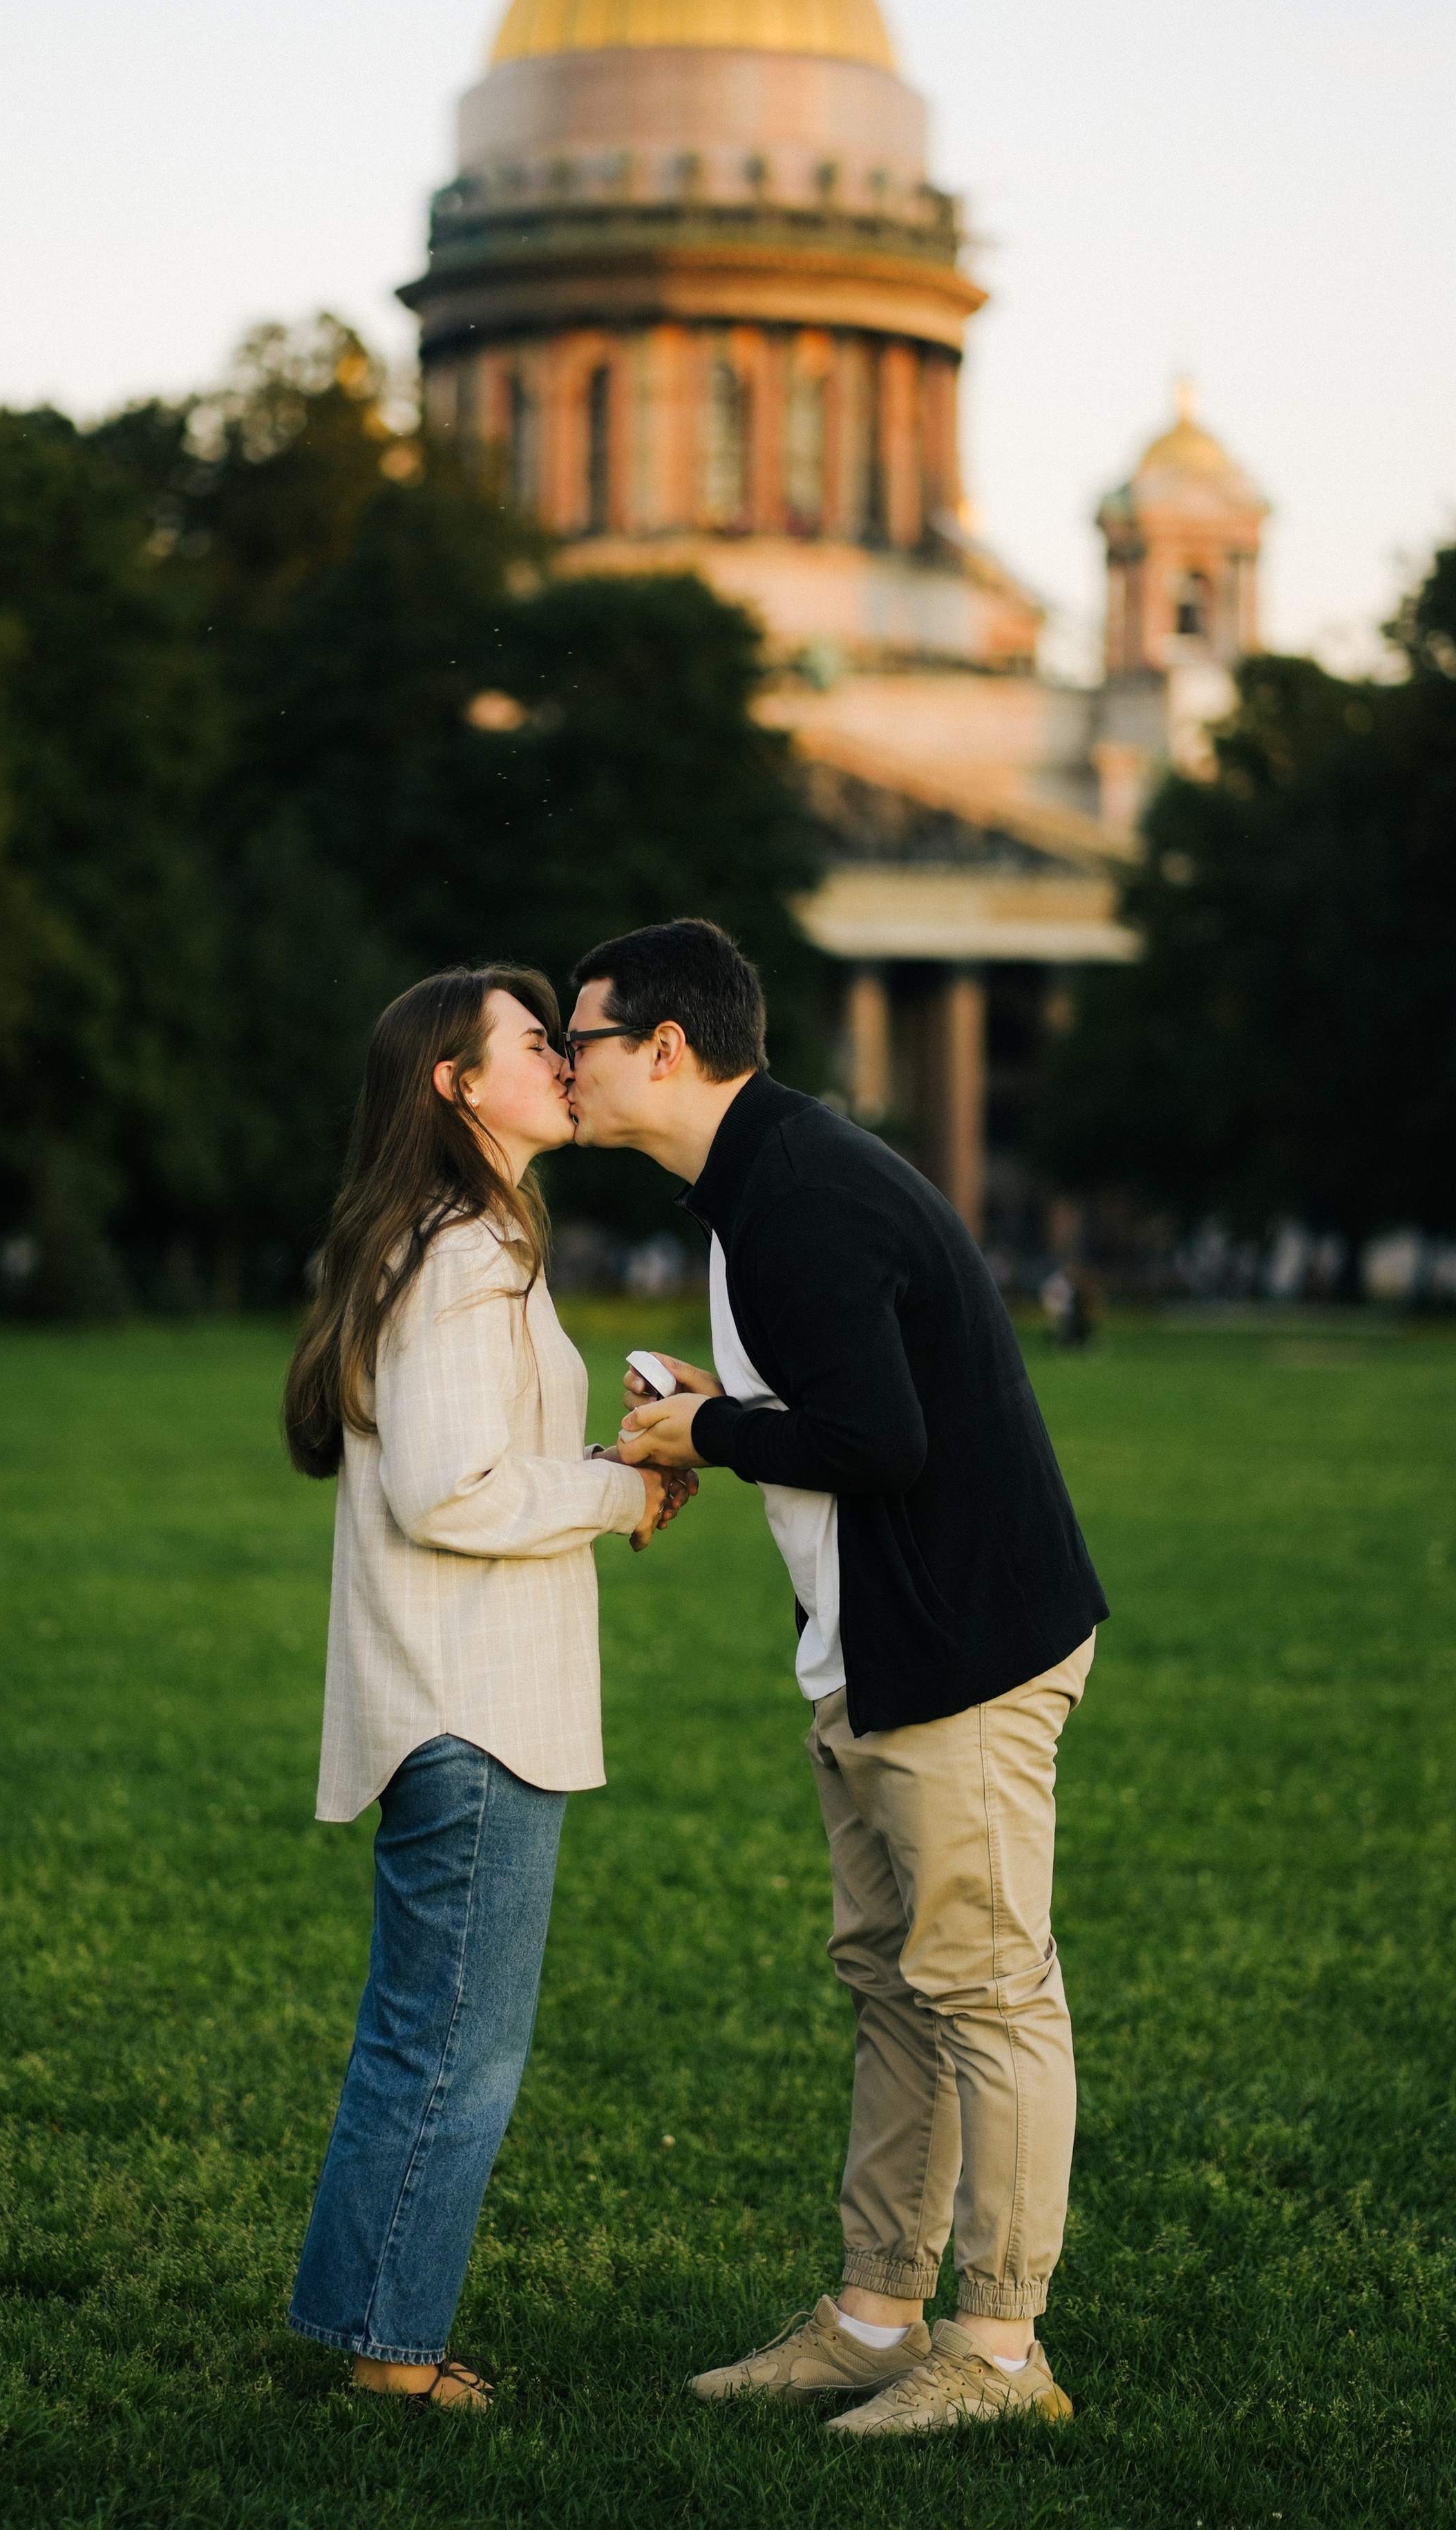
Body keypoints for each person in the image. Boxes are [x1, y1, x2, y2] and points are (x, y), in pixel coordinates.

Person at [564, 919, 1106, 2439]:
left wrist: (706, 1435)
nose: (563, 1060)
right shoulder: (765, 1176)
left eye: (580, 1034)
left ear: (662, 1050)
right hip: (879, 1645)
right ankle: (878, 2317)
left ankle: (996, 2352)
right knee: (891, 1983)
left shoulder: (792, 1192)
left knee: (985, 1991)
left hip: (960, 1651)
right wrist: (722, 1407)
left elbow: (881, 1443)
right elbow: (852, 1396)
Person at [282, 966, 689, 2411]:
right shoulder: (461, 1252)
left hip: (468, 1696)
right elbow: (446, 1492)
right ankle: (393, 2358)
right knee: (455, 2044)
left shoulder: (465, 1240)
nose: (564, 1062)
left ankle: (361, 2323)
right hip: (471, 1708)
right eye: (534, 1044)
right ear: (454, 1084)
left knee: (424, 2029)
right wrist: (608, 1483)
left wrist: (611, 1469)